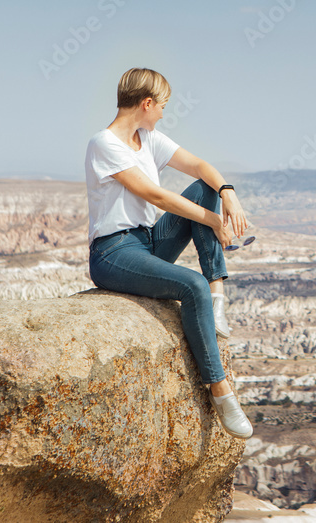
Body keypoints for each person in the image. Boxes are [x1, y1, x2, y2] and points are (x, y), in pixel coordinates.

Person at [85, 67, 252, 439]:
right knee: (190, 286)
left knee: (204, 188)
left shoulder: (148, 137)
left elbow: (199, 167)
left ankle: (218, 294)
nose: (163, 112)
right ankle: (220, 392)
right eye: (161, 105)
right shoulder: (104, 144)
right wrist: (215, 221)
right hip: (113, 252)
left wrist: (227, 191)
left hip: (146, 241)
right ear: (146, 104)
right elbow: (156, 196)